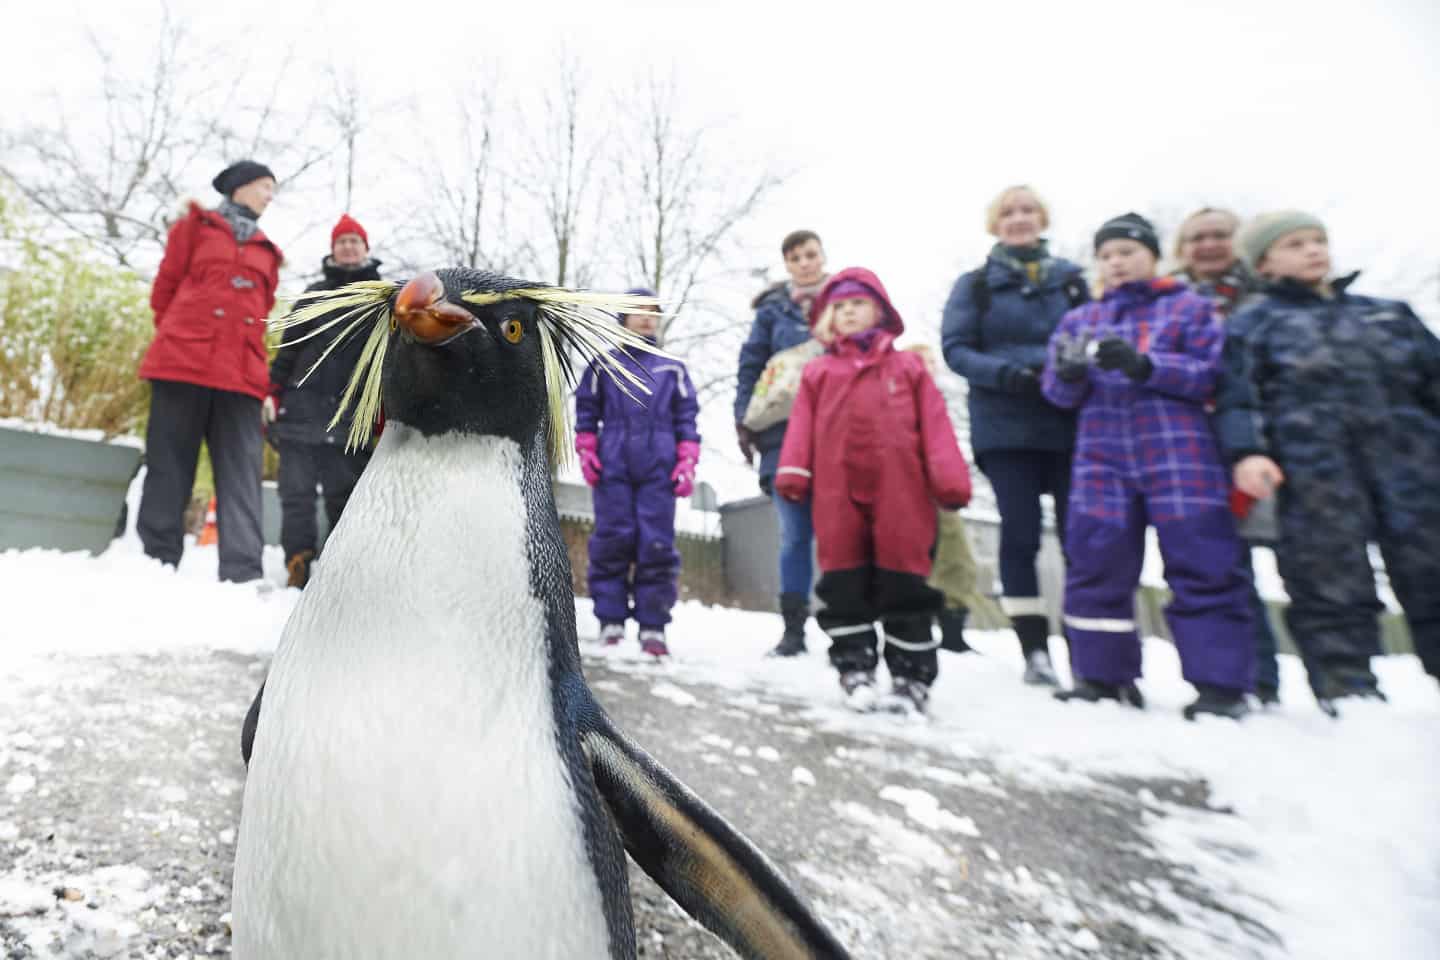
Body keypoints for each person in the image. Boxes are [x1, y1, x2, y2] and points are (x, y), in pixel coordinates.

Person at [1215, 211, 1440, 712]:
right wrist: (1248, 452)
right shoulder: (1252, 324)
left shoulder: (1388, 314)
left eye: (1317, 240)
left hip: (1415, 470)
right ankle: (1349, 691)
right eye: (1294, 244)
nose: (1313, 250)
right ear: (1264, 263)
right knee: (1329, 583)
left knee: (1433, 572)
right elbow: (1238, 399)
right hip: (1315, 476)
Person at [1042, 213, 1254, 721]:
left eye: (1127, 252)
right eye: (1106, 255)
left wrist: (1146, 365)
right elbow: (1056, 394)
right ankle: (1101, 676)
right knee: (1096, 561)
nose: (1116, 263)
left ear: (1154, 257)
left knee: (1202, 560)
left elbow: (1209, 374)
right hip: (1100, 457)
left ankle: (1220, 686)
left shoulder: (1190, 307)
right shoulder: (1079, 320)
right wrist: (1068, 374)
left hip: (1180, 454)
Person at [776, 268, 971, 715]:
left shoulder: (908, 368)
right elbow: (802, 425)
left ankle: (910, 675)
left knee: (905, 581)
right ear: (828, 318)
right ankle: (854, 666)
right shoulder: (819, 372)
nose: (848, 312)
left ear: (880, 312)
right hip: (837, 492)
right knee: (844, 581)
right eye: (839, 306)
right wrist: (793, 471)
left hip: (901, 492)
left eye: (858, 304)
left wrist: (949, 478)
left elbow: (935, 426)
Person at [941, 185, 1089, 686]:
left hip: (1070, 425)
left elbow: (1097, 334)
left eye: (1028, 210)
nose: (1019, 218)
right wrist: (1008, 375)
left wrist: (1074, 370)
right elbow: (956, 348)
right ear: (995, 223)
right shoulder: (975, 286)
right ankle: (1034, 649)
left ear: (1042, 218)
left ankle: (1087, 647)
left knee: (1080, 538)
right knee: (1020, 534)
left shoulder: (1074, 282)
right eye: (1009, 212)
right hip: (1005, 428)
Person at [136, 160, 283, 583]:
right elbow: (165, 291)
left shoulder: (268, 252)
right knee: (168, 466)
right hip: (182, 366)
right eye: (264, 186)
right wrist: (184, 337)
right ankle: (156, 562)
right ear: (239, 187)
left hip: (242, 378)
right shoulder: (194, 228)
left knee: (242, 475)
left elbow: (263, 311)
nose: (269, 196)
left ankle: (243, 573)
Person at [1171, 206, 1282, 705]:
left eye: (1220, 235)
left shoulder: (1268, 298)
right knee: (1227, 559)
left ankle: (1343, 685)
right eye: (1197, 237)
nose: (1209, 245)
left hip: (1278, 437)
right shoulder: (1169, 302)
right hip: (1199, 444)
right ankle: (1256, 675)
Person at [575, 289, 700, 658]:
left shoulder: (672, 369)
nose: (646, 317)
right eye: (638, 311)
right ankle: (611, 619)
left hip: (659, 468)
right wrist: (587, 450)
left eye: (653, 312)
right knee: (612, 540)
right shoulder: (602, 366)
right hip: (613, 466)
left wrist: (687, 460)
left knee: (656, 544)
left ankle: (653, 625)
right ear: (623, 318)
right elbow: (586, 413)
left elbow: (687, 418)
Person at [265, 214, 382, 588]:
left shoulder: (382, 299)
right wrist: (272, 393)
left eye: (354, 241)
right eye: (341, 242)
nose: (347, 247)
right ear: (332, 249)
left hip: (351, 416)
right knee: (295, 494)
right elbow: (288, 350)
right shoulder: (313, 294)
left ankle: (335, 571)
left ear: (365, 249)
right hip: (300, 411)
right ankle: (297, 563)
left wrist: (384, 413)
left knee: (343, 497)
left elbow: (391, 362)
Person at [734, 230, 829, 657]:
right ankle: (794, 629)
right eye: (795, 257)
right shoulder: (771, 313)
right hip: (782, 438)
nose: (804, 263)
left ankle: (849, 628)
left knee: (841, 536)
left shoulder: (847, 303)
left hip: (837, 435)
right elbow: (751, 366)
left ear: (822, 256)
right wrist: (743, 420)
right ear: (787, 264)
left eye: (810, 254)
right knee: (794, 535)